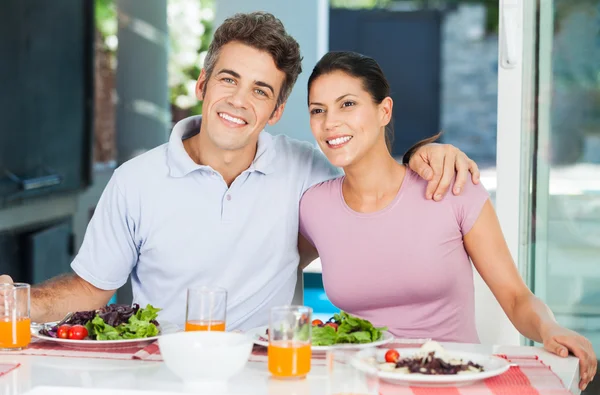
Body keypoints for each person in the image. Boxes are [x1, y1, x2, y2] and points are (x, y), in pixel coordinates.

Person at [0, 12, 480, 333]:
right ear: (203, 84)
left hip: (272, 375)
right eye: (229, 80)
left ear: (275, 110)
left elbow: (375, 184)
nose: (238, 101)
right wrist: (18, 302)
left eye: (260, 90)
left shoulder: (307, 171)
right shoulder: (135, 182)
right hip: (170, 375)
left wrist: (428, 156)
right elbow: (90, 288)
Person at [298, 50, 597, 390]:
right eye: (317, 110)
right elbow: (276, 264)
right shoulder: (315, 207)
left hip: (454, 383)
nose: (330, 122)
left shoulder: (451, 186)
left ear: (384, 111)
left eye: (347, 104)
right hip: (360, 386)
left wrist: (550, 328)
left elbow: (515, 297)